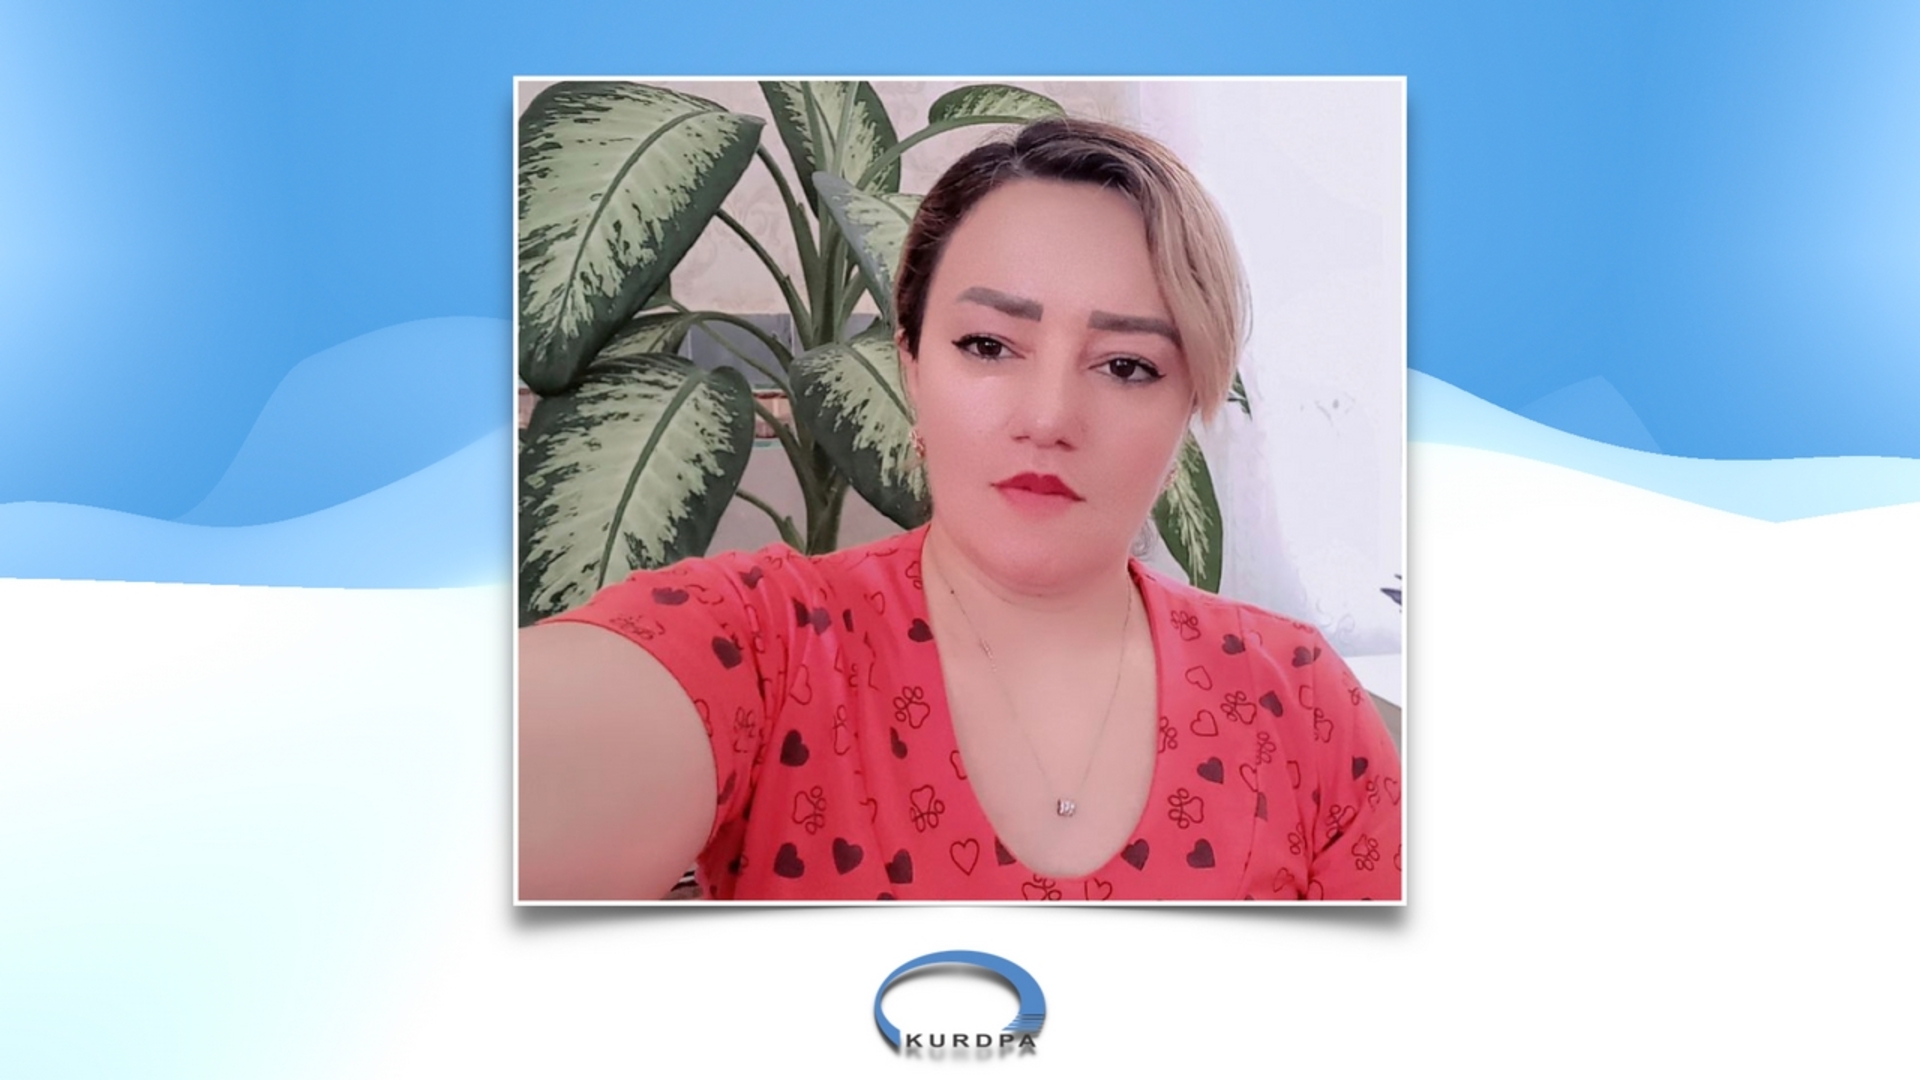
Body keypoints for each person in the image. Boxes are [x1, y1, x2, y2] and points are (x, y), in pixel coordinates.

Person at [518, 117, 1402, 901]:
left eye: (1128, 366)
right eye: (988, 345)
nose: (1049, 418)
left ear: (1192, 404)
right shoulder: (766, 645)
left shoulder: (1300, 698)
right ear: (911, 363)